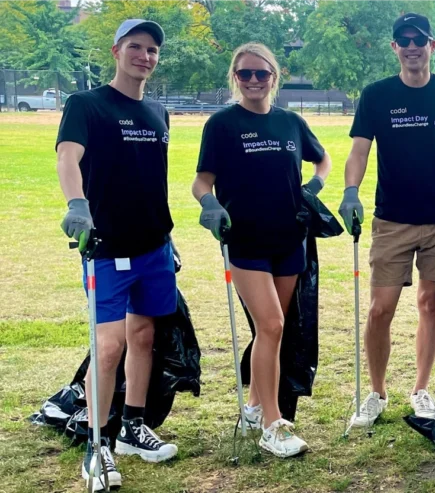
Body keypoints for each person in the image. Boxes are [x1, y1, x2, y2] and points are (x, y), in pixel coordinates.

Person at [338, 12, 435, 427]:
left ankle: (421, 390)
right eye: (404, 40)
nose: (413, 46)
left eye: (420, 40)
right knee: (381, 309)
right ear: (394, 47)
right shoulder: (377, 95)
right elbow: (359, 150)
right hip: (392, 220)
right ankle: (377, 392)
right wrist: (350, 191)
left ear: (432, 46)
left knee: (430, 303)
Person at [56, 19, 178, 491]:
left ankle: (131, 427)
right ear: (116, 51)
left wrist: (167, 236)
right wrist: (77, 205)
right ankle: (97, 446)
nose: (144, 56)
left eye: (151, 50)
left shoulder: (158, 111)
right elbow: (68, 156)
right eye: (135, 47)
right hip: (107, 246)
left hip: (154, 247)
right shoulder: (86, 105)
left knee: (144, 337)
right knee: (108, 348)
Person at [192, 43, 331, 458]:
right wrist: (210, 204)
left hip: (290, 241)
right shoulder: (221, 124)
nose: (254, 81)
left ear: (275, 76)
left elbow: (322, 160)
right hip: (246, 243)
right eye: (245, 74)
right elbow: (202, 181)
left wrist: (315, 186)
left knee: (272, 327)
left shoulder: (291, 122)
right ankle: (273, 424)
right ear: (235, 77)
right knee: (270, 326)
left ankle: (252, 407)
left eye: (262, 74)